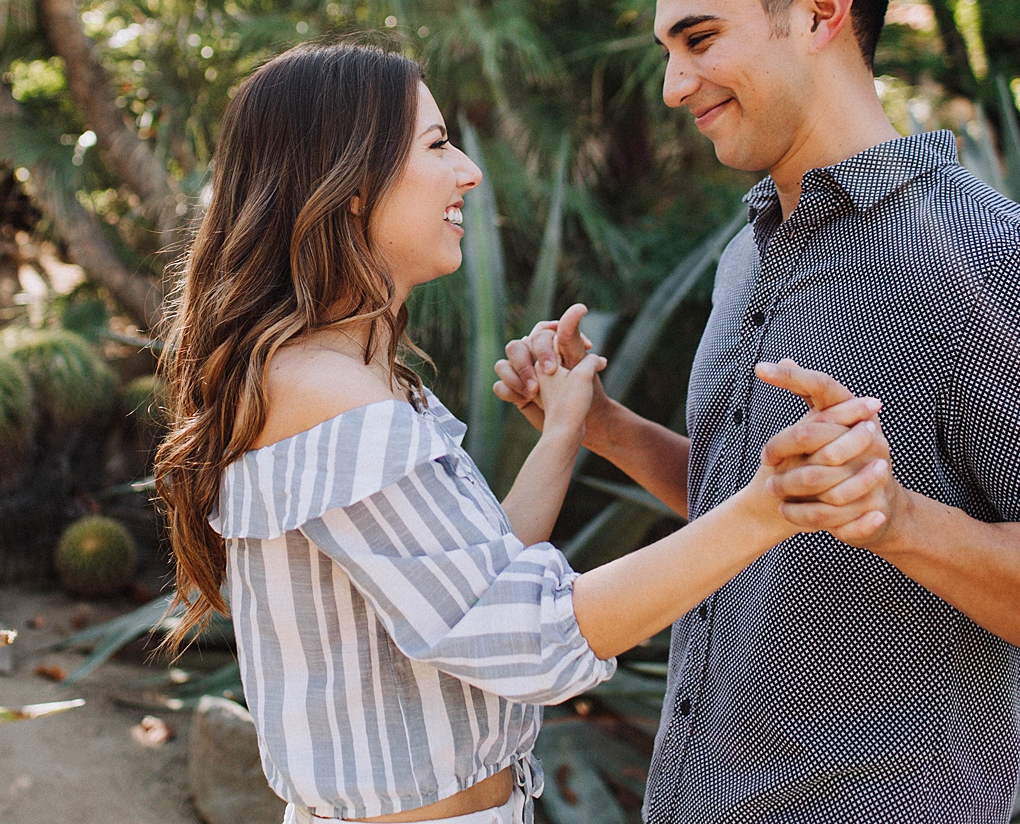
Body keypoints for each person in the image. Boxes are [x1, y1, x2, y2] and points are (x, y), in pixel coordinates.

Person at [495, 0, 1020, 824]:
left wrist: (897, 518)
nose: (673, 86)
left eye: (699, 41)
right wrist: (600, 425)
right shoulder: (747, 256)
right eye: (669, 52)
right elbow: (761, 509)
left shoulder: (987, 263)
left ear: (821, 10)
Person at [155, 43, 893, 824]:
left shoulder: (339, 374)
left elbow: (478, 597)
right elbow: (530, 640)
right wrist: (766, 507)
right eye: (436, 145)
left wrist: (567, 429)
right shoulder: (326, 394)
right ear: (345, 184)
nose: (469, 173)